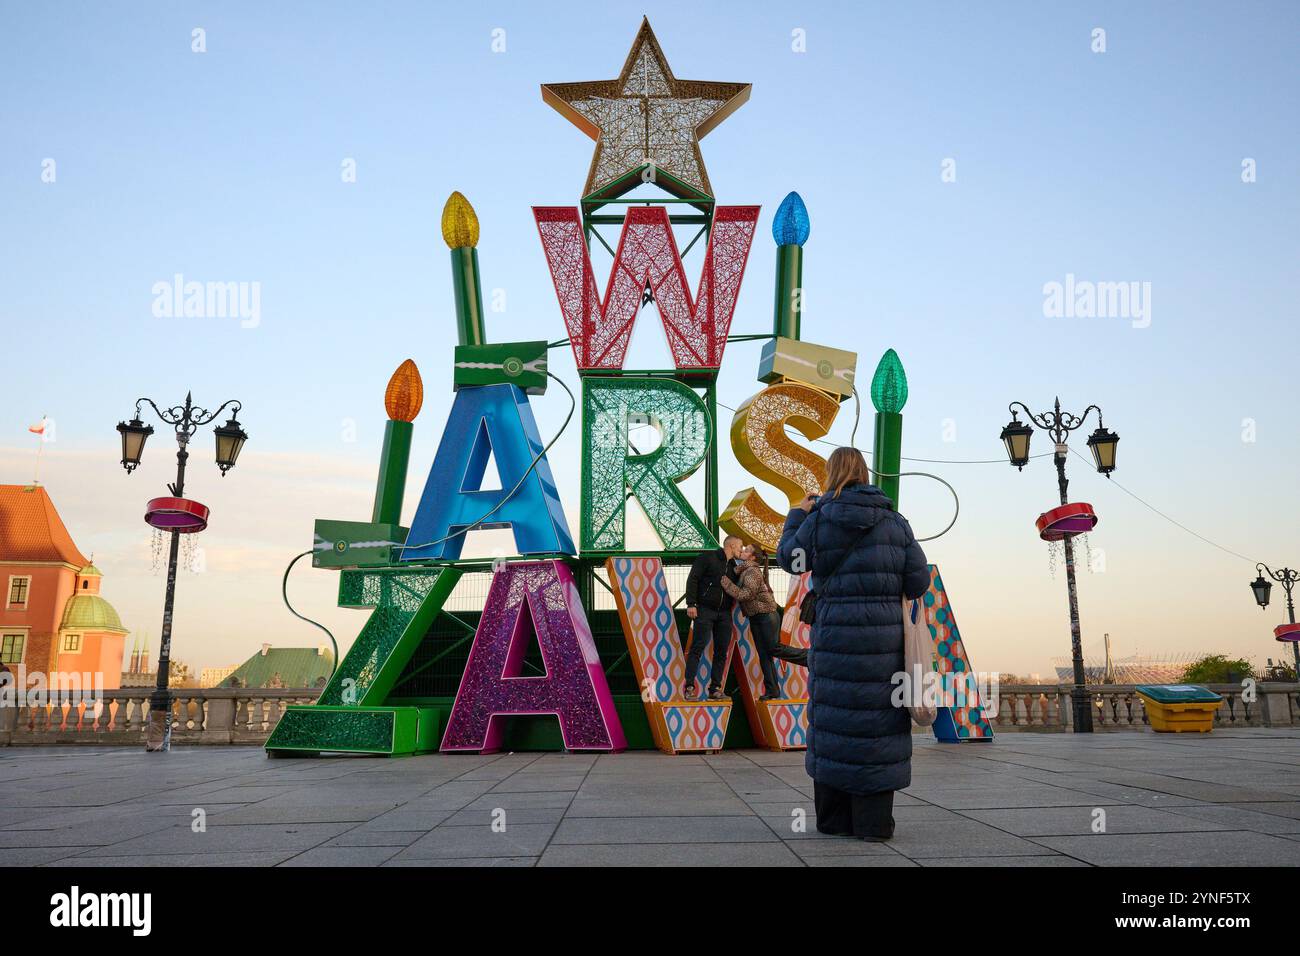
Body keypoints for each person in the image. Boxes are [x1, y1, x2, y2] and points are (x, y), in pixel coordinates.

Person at [776, 447, 930, 841]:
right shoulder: (896, 523)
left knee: (835, 723)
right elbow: (918, 583)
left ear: (831, 476)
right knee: (877, 727)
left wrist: (798, 512)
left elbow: (791, 561)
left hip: (833, 642)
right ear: (864, 473)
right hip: (883, 647)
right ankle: (873, 823)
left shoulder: (820, 519)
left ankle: (834, 820)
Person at [720, 543, 807, 700]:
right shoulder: (744, 570)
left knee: (772, 649)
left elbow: (746, 594)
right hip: (757, 617)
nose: (743, 551)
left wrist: (727, 584)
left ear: (752, 557)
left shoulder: (752, 571)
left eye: (746, 551)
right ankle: (772, 690)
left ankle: (806, 657)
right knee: (764, 655)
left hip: (766, 616)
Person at [683, 535, 743, 700]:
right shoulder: (707, 558)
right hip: (705, 610)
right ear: (731, 545)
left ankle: (715, 689)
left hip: (724, 614)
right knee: (697, 648)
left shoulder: (734, 567)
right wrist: (691, 603)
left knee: (721, 651)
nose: (741, 550)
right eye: (740, 547)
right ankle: (689, 687)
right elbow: (693, 578)